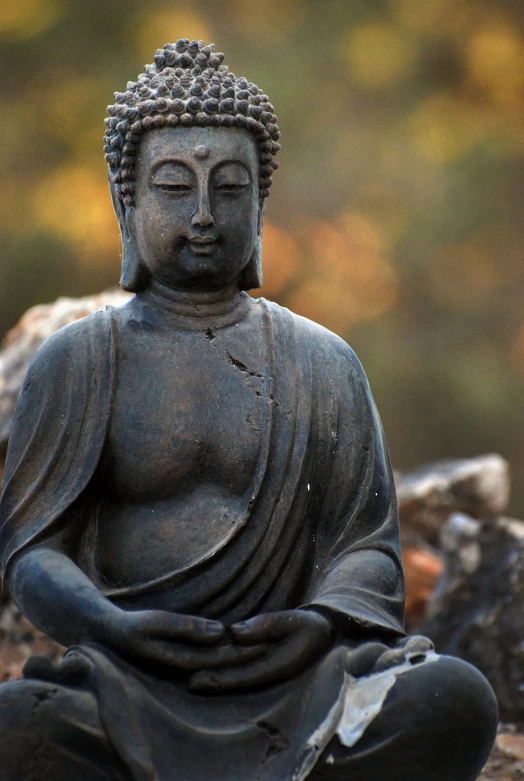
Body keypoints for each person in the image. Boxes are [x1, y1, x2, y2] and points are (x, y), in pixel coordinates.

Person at [0, 40, 497, 781]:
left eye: (228, 189)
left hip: (299, 676)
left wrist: (319, 622)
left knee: (455, 697)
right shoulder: (81, 360)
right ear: (125, 200)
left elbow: (365, 544)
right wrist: (110, 626)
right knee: (17, 725)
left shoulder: (323, 360)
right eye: (174, 186)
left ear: (260, 204)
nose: (203, 215)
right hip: (131, 676)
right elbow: (33, 551)